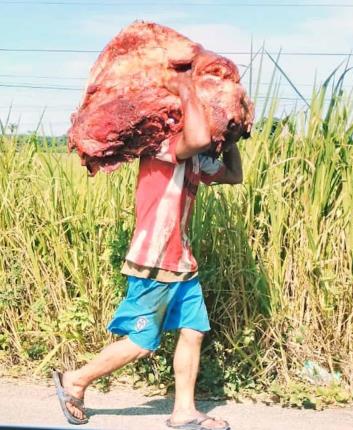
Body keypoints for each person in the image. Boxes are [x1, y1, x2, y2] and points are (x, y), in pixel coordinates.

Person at [52, 71, 242, 430]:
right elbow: (198, 136)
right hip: (153, 261)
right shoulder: (161, 146)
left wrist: (232, 136)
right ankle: (75, 380)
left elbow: (234, 176)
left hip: (182, 263)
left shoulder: (195, 162)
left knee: (193, 330)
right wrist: (185, 85)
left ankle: (184, 410)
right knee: (142, 342)